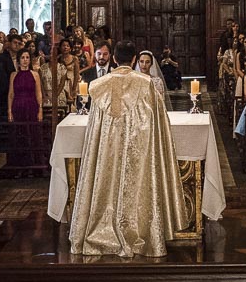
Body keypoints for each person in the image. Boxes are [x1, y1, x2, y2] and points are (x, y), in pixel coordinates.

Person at [69, 41, 185, 257]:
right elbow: (159, 122)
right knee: (138, 187)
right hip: (138, 150)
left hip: (107, 151)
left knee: (105, 182)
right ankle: (140, 232)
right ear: (133, 60)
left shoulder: (99, 85)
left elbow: (94, 129)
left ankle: (101, 233)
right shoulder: (145, 83)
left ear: (114, 58)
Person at [8, 49, 44, 170]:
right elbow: (11, 94)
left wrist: (40, 109)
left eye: (27, 57)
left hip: (31, 106)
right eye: (22, 57)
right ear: (18, 60)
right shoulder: (13, 75)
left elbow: (38, 93)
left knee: (33, 134)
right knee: (19, 134)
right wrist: (9, 111)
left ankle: (35, 165)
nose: (25, 60)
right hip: (17, 106)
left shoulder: (35, 74)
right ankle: (20, 166)